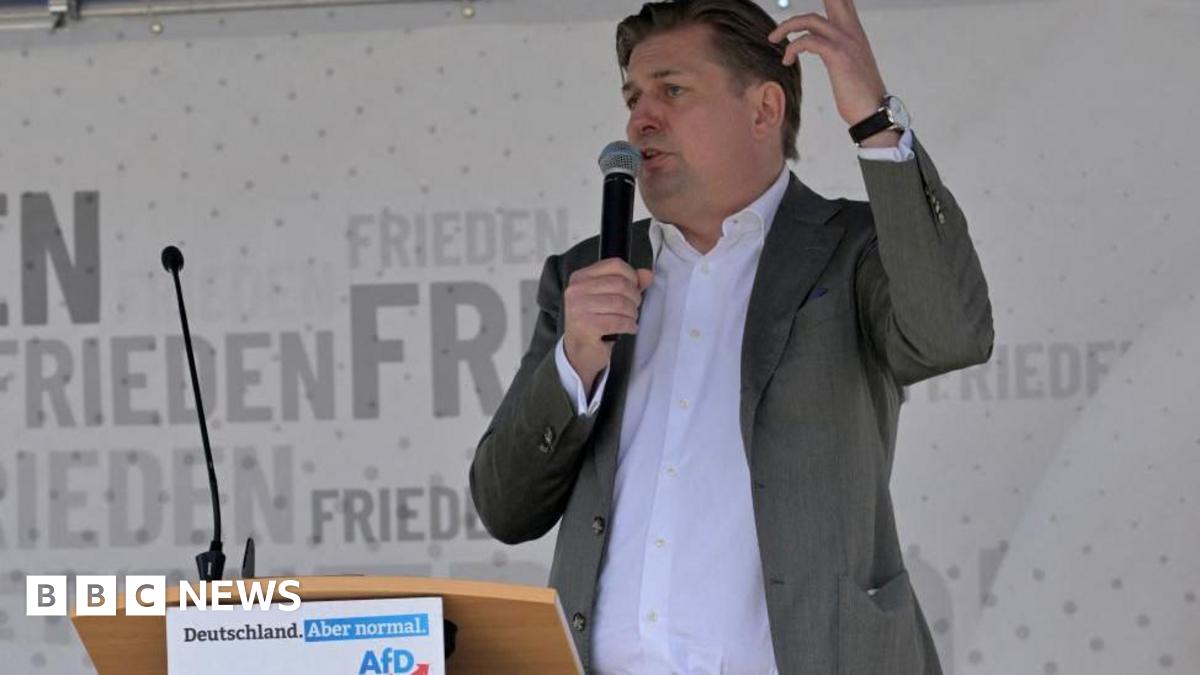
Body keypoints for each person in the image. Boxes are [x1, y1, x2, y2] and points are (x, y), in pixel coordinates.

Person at [470, 0, 993, 672]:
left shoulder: (853, 249)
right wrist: (574, 362)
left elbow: (952, 333)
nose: (640, 118)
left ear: (763, 111)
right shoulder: (589, 274)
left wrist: (874, 121)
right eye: (633, 96)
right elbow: (505, 506)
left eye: (673, 90)